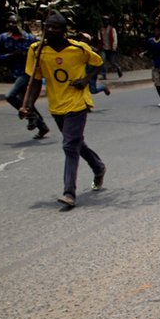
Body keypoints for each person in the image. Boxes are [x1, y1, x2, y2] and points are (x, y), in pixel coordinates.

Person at [20, 13, 107, 208]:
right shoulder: (36, 50)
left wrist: (85, 80)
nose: (50, 31)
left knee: (69, 145)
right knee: (76, 143)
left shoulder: (79, 49)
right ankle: (98, 166)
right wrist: (28, 105)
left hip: (77, 103)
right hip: (56, 104)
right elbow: (34, 81)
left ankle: (69, 193)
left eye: (55, 28)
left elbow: (98, 63)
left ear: (64, 31)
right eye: (47, 27)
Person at [0, 13, 49, 138]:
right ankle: (42, 126)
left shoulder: (29, 38)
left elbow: (42, 50)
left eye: (14, 22)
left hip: (28, 73)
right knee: (26, 101)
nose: (12, 25)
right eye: (10, 22)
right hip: (15, 73)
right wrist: (9, 56)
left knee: (10, 96)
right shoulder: (3, 38)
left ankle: (30, 116)